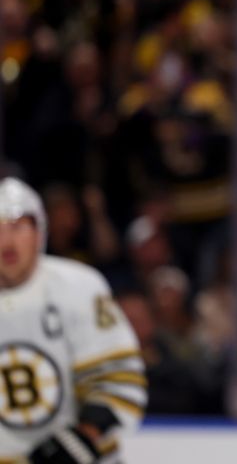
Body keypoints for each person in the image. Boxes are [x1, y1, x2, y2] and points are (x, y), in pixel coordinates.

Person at [0, 177, 147, 463]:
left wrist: (83, 436)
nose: (7, 240)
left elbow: (117, 376)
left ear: (39, 232)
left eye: (18, 227)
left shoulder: (78, 287)